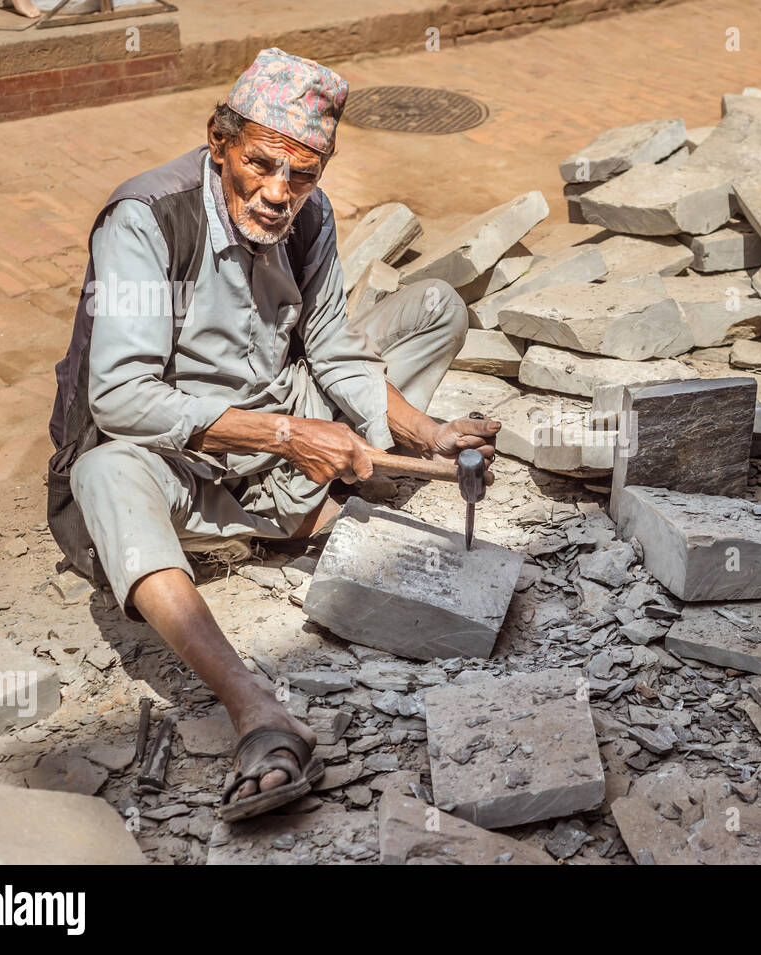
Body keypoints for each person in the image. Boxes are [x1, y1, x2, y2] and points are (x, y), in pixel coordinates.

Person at [49, 48, 499, 820]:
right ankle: (255, 707)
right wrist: (292, 435)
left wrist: (429, 434)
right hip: (180, 455)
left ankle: (317, 498)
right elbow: (120, 396)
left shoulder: (309, 214)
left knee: (435, 309)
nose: (278, 192)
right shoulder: (146, 219)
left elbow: (329, 346)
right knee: (103, 475)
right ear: (219, 140)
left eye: (303, 175)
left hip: (278, 416)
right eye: (259, 165)